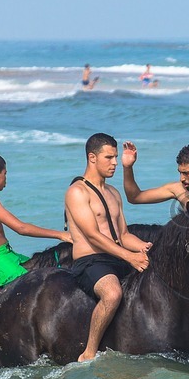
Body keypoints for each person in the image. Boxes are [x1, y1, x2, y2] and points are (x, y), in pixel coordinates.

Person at [66, 134, 152, 362]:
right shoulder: (77, 192)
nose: (115, 163)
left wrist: (145, 248)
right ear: (92, 158)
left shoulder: (113, 192)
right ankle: (89, 352)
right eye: (109, 157)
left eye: (116, 157)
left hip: (117, 257)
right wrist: (130, 257)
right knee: (112, 294)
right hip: (90, 261)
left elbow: (123, 235)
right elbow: (93, 236)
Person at [0, 152, 72, 287]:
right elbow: (21, 228)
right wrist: (60, 235)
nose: (6, 179)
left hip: (7, 254)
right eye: (5, 174)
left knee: (44, 271)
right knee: (33, 287)